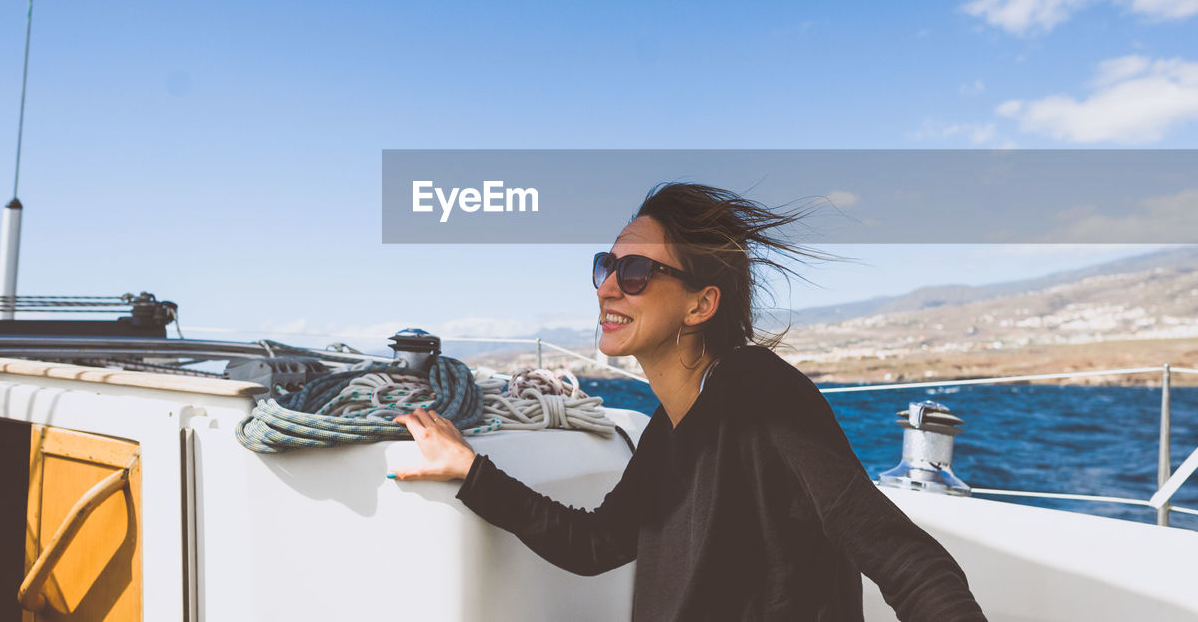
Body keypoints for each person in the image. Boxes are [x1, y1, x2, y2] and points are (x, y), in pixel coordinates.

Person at [394, 183, 987, 621]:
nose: (607, 285)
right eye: (607, 265)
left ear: (701, 305)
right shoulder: (669, 426)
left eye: (635, 272)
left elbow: (903, 558)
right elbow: (596, 543)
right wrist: (470, 469)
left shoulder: (761, 393)